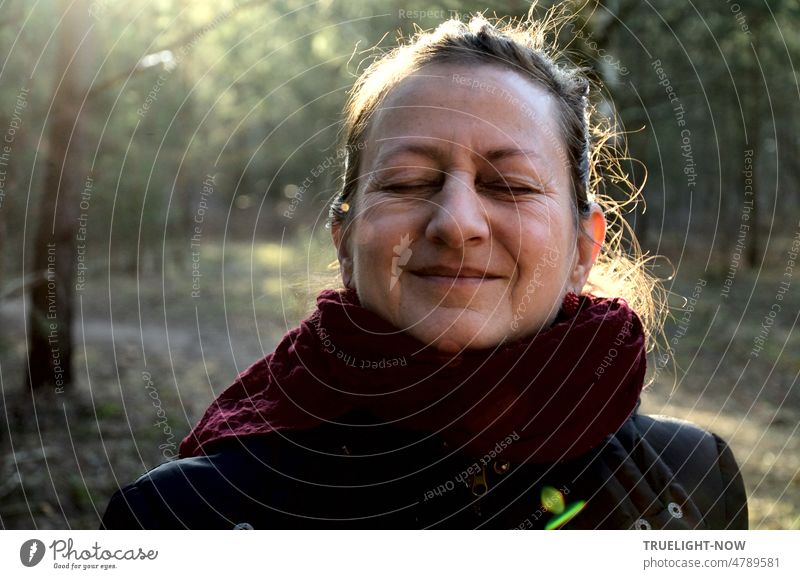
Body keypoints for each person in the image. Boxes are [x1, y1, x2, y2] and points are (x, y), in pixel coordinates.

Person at [101, 12, 748, 530]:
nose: (457, 221)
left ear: (584, 246)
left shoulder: (690, 485)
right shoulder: (182, 517)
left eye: (511, 185)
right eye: (409, 181)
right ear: (345, 240)